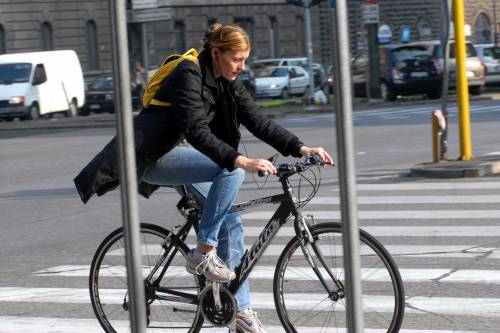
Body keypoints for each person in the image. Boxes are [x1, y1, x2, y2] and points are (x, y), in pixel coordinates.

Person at [74, 23, 333, 333]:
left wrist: (300, 147)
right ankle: (203, 252)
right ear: (216, 53)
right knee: (233, 169)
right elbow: (196, 130)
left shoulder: (228, 80)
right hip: (154, 156)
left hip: (183, 152)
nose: (242, 66)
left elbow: (258, 121)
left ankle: (240, 311)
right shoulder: (188, 72)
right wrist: (242, 159)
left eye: (245, 59)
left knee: (232, 224)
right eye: (237, 59)